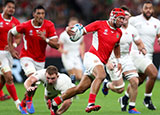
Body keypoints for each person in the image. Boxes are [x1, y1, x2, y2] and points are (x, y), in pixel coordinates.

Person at [50, 8, 125, 113]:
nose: (122, 21)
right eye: (120, 18)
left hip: (100, 62)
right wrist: (69, 31)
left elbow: (116, 46)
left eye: (123, 19)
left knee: (80, 89)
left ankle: (55, 101)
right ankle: (90, 104)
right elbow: (81, 31)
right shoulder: (99, 24)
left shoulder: (119, 32)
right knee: (102, 75)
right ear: (113, 17)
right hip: (92, 57)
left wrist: (119, 61)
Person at [8, 5, 60, 114]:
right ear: (33, 14)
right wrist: (12, 50)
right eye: (38, 13)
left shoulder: (49, 25)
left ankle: (22, 105)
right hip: (26, 57)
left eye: (42, 14)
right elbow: (11, 33)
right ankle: (29, 101)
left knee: (34, 85)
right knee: (32, 78)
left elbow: (57, 45)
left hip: (40, 60)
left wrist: (45, 38)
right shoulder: (26, 25)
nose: (40, 16)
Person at [102, 6, 146, 114]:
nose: (125, 18)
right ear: (118, 17)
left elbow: (138, 42)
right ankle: (107, 84)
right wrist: (107, 61)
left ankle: (131, 107)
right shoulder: (113, 28)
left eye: (127, 15)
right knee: (119, 89)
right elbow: (104, 46)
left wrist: (142, 48)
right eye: (123, 16)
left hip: (126, 57)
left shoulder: (132, 29)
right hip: (112, 58)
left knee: (135, 81)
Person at [119, 1, 159, 111]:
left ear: (153, 10)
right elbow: (122, 26)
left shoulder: (157, 23)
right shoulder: (134, 20)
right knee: (154, 73)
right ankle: (147, 98)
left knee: (138, 81)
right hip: (137, 54)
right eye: (146, 8)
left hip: (149, 55)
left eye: (150, 8)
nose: (148, 10)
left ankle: (125, 98)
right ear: (142, 9)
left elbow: (158, 36)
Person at [0, 0, 21, 110]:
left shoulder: (16, 23)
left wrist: (13, 45)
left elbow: (18, 38)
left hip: (8, 53)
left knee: (3, 79)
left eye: (13, 7)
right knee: (9, 76)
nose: (11, 9)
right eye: (9, 7)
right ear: (4, 8)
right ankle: (18, 103)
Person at [58, 17, 85, 82]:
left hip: (76, 56)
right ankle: (71, 87)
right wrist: (63, 51)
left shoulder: (80, 34)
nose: (73, 25)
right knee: (73, 76)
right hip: (67, 56)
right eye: (72, 24)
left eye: (75, 24)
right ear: (69, 24)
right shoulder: (64, 35)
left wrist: (82, 54)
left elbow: (82, 43)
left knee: (80, 77)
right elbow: (58, 45)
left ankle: (77, 88)